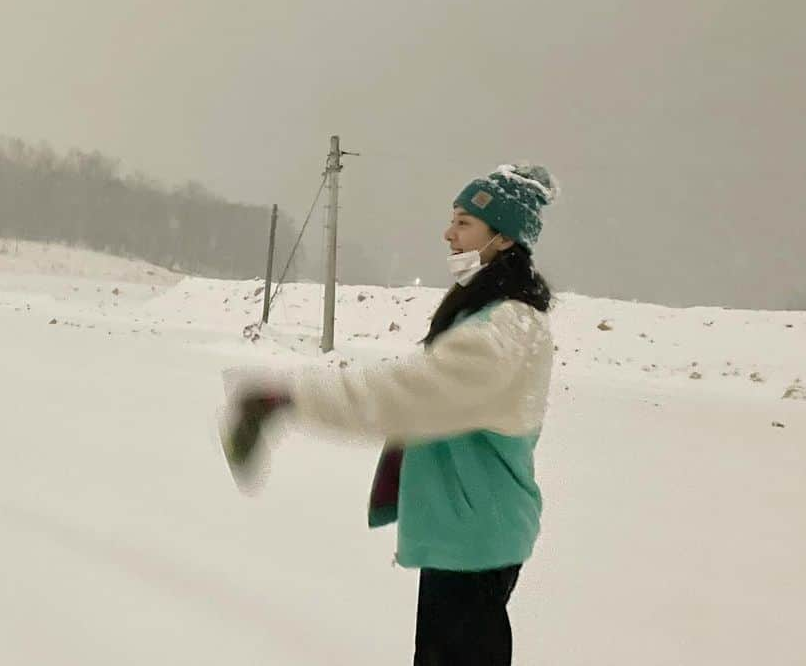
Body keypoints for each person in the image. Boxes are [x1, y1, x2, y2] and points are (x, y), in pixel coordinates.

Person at [221, 163, 558, 665]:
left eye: (464, 222)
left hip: (474, 538)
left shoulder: (504, 330)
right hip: (470, 529)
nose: (448, 232)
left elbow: (404, 395)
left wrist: (288, 398)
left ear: (504, 239)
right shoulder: (494, 315)